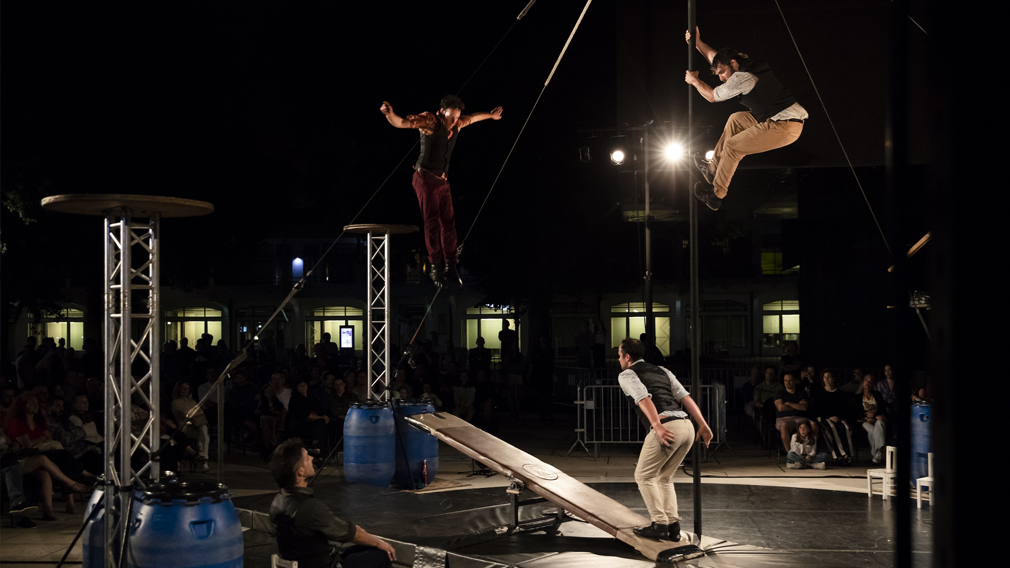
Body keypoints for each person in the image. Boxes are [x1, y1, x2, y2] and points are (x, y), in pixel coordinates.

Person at [379, 95, 503, 287]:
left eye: (456, 118)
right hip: (425, 178)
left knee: (449, 223)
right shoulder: (430, 122)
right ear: (441, 112)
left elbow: (473, 117)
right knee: (432, 221)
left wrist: (491, 116)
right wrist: (390, 114)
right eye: (450, 117)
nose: (453, 122)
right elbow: (402, 123)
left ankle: (451, 267)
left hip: (443, 182)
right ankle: (435, 266)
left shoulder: (456, 124)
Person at [684, 27, 807, 211]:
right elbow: (717, 59)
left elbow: (711, 96)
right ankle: (712, 170)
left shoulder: (743, 77)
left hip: (785, 127)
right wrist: (697, 43)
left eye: (721, 73)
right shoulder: (741, 66)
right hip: (772, 119)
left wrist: (695, 81)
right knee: (736, 119)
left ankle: (716, 195)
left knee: (733, 146)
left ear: (733, 64)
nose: (721, 78)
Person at [616, 339, 713, 542]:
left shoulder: (627, 374)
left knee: (643, 476)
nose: (618, 359)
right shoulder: (661, 370)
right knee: (664, 478)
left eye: (619, 355)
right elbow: (685, 397)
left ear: (627, 357)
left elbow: (644, 398)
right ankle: (673, 526)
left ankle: (659, 524)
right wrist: (702, 424)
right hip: (686, 426)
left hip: (668, 427)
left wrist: (657, 426)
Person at [269, 439, 395, 568]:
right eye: (307, 458)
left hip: (300, 561)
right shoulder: (308, 506)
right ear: (300, 472)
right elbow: (348, 533)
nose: (312, 459)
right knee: (381, 554)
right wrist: (380, 543)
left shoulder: (278, 501)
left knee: (358, 549)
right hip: (319, 564)